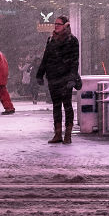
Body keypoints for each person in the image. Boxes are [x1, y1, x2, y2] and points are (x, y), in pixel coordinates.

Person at [36, 16, 81, 144]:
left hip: (66, 78)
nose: (56, 26)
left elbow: (74, 61)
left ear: (66, 25)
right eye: (55, 24)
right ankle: (57, 133)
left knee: (67, 105)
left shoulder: (72, 41)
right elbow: (46, 58)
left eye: (59, 24)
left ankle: (68, 134)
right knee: (56, 106)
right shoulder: (51, 39)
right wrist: (40, 74)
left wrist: (72, 78)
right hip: (53, 77)